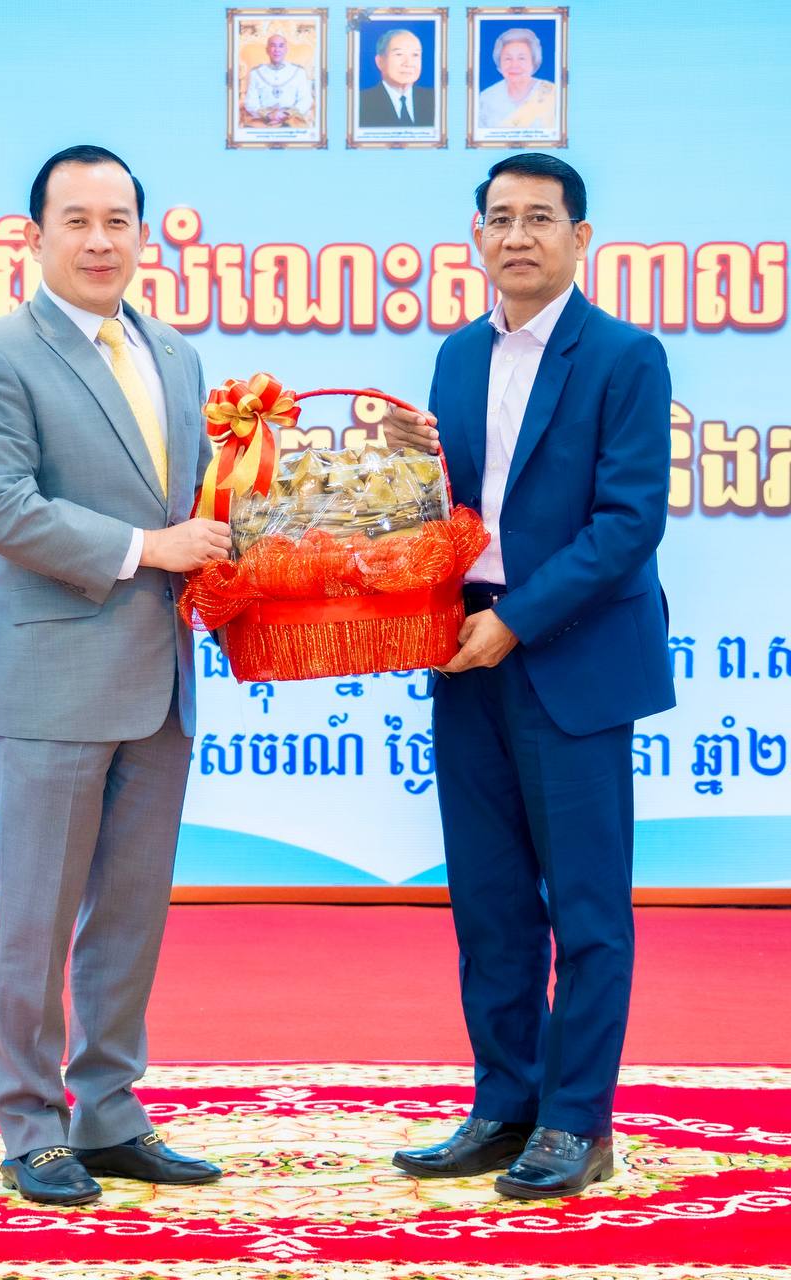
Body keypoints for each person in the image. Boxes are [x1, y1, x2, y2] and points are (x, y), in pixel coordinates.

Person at [0, 145, 231, 1207]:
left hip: (161, 680)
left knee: (130, 915)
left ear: (144, 234)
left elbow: (207, 499)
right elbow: (0, 508)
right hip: (55, 678)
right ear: (37, 236)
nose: (101, 240)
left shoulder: (177, 355)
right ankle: (30, 1123)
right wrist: (150, 549)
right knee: (38, 914)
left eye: (119, 221)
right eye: (78, 221)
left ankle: (108, 1112)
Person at [386, 153, 674, 1199]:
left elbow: (628, 524)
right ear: (477, 236)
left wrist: (515, 621)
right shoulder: (457, 355)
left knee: (588, 910)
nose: (518, 236)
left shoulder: (626, 356)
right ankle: (504, 1104)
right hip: (466, 654)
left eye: (540, 218)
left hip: (570, 654)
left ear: (579, 237)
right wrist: (406, 461)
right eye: (499, 218)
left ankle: (575, 1121)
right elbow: (453, 513)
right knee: (491, 903)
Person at [478, 27, 555, 130]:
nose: (514, 65)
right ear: (499, 64)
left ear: (534, 62)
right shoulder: (485, 99)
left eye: (521, 58)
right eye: (508, 59)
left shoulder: (553, 94)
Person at [359, 28, 434, 127]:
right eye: (399, 54)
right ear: (380, 61)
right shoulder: (360, 102)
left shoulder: (435, 99)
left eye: (415, 55)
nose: (408, 63)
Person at [243, 33, 313, 126]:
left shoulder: (299, 71)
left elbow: (305, 100)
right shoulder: (255, 73)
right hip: (262, 120)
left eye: (281, 46)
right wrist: (268, 115)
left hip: (292, 119)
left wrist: (285, 114)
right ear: (267, 50)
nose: (277, 50)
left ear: (286, 50)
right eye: (273, 46)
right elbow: (250, 102)